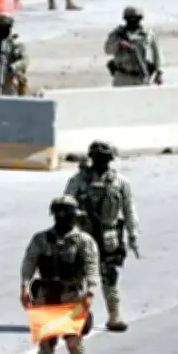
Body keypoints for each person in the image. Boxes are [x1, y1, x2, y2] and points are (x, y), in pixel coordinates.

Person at [21, 195, 100, 354]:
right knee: (45, 345)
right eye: (58, 213)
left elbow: (92, 267)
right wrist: (24, 285)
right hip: (47, 296)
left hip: (72, 297)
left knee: (74, 344)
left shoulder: (83, 241)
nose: (62, 217)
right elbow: (29, 262)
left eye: (66, 213)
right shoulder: (41, 239)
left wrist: (91, 291)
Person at [64, 140, 139, 332]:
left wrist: (133, 234)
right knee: (78, 276)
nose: (100, 161)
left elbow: (129, 209)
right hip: (84, 234)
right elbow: (66, 204)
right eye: (97, 157)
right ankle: (79, 316)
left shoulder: (120, 182)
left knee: (109, 275)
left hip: (109, 235)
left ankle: (114, 315)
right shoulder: (78, 181)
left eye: (104, 158)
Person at [104, 6, 163, 86]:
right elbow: (107, 49)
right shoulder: (118, 34)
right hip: (122, 76)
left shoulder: (148, 34)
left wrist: (159, 73)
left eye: (136, 18)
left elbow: (157, 55)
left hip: (142, 76)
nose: (133, 21)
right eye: (130, 18)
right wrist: (119, 45)